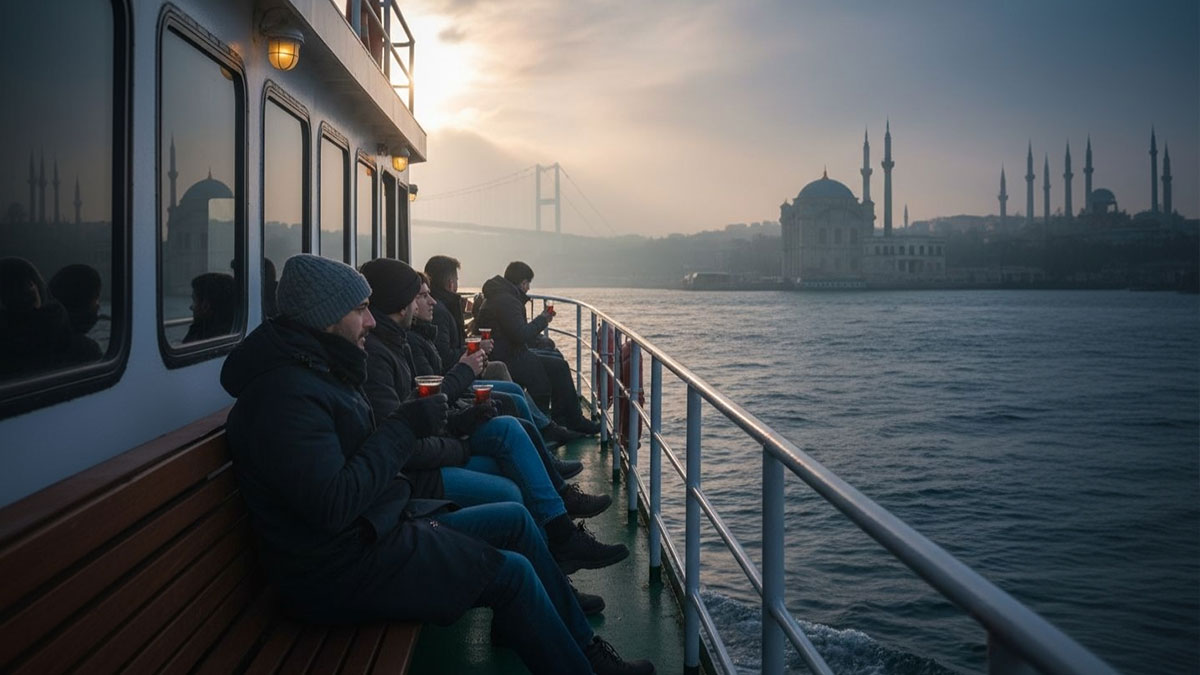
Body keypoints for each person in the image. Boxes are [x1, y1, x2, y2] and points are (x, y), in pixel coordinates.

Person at [220, 254, 653, 674]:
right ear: (325, 315)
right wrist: (406, 428)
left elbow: (361, 461)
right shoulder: (286, 398)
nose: (370, 322)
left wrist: (444, 421)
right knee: (513, 573)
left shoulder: (317, 372)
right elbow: (333, 505)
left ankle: (584, 647)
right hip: (341, 567)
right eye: (360, 310)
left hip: (378, 525)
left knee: (515, 520)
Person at [358, 258, 622, 575]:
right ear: (402, 304)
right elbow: (414, 426)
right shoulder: (384, 353)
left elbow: (423, 407)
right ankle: (559, 525)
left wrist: (463, 412)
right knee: (510, 430)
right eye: (420, 296)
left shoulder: (398, 342)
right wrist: (464, 379)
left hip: (436, 441)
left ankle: (557, 524)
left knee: (512, 419)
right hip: (419, 469)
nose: (430, 302)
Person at [424, 254, 584, 445]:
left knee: (551, 360)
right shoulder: (445, 312)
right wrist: (543, 320)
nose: (429, 301)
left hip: (496, 355)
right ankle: (547, 430)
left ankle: (556, 424)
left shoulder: (450, 307)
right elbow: (520, 335)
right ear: (451, 283)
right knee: (522, 384)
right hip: (499, 358)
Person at [479, 261, 600, 435]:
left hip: (509, 352)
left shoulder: (501, 296)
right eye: (528, 284)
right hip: (509, 357)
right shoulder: (508, 301)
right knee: (558, 367)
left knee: (557, 361)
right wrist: (543, 319)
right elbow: (520, 335)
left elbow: (514, 331)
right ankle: (569, 421)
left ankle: (563, 419)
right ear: (523, 283)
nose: (528, 288)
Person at [183, 271, 236, 342]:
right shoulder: (231, 330)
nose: (191, 307)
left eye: (194, 301)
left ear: (205, 306)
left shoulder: (201, 334)